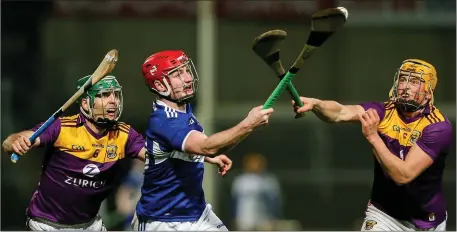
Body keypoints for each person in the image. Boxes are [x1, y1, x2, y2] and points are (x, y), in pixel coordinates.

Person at [291, 59, 452, 231]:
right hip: (385, 215)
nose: (405, 86)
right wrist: (316, 104)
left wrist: (373, 137)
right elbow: (341, 112)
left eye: (414, 82)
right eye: (403, 79)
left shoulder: (437, 127)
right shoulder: (383, 112)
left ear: (428, 92)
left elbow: (403, 176)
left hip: (428, 221)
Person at [132, 50, 274, 231]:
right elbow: (207, 147)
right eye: (177, 74)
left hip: (196, 212)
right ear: (160, 86)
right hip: (163, 220)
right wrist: (248, 124)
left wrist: (206, 157)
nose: (188, 78)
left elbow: (184, 148)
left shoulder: (184, 109)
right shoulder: (164, 121)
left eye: (186, 70)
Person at [2, 75, 148, 231]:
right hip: (46, 225)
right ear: (85, 104)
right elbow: (9, 142)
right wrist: (16, 142)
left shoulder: (124, 135)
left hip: (91, 225)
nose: (114, 101)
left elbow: (155, 156)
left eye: (116, 95)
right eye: (104, 95)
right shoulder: (62, 128)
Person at [231, 152, 282, 231]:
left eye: (257, 163)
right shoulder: (240, 181)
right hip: (244, 221)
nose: (254, 166)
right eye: (252, 163)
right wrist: (234, 218)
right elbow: (235, 202)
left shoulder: (270, 181)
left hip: (265, 221)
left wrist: (275, 218)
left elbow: (276, 203)